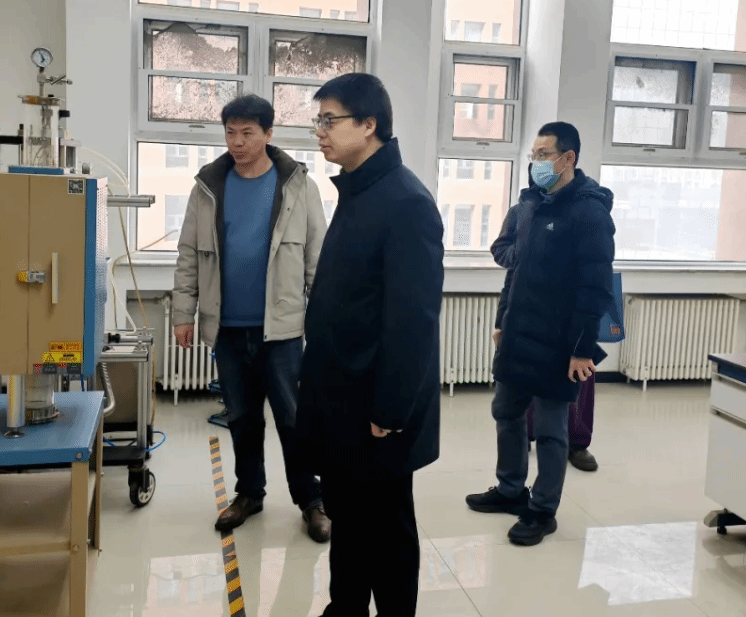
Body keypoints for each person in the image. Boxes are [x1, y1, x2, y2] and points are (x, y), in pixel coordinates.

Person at [297, 73, 444, 617]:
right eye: (318, 121)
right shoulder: (359, 191)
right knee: (349, 517)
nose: (320, 131)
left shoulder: (406, 202)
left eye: (329, 120)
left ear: (368, 124)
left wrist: (390, 411)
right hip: (342, 400)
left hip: (377, 412)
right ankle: (346, 607)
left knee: (387, 532)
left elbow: (413, 322)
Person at [171, 94, 331, 543]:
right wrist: (184, 313)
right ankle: (249, 494)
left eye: (247, 133)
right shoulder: (208, 186)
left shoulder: (297, 185)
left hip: (282, 330)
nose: (237, 142)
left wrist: (323, 324)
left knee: (293, 419)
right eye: (230, 133)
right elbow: (188, 254)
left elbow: (318, 258)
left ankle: (311, 500)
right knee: (242, 418)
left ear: (268, 133)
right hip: (227, 328)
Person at [466, 121, 615, 546]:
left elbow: (595, 287)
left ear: (568, 159)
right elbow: (514, 274)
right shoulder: (530, 205)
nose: (536, 163)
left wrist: (582, 349)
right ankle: (510, 488)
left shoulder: (589, 213)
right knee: (506, 412)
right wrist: (502, 320)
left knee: (550, 430)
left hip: (558, 342)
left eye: (544, 154)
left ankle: (542, 509)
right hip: (518, 332)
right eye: (533, 155)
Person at [491, 196, 599, 473]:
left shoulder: (585, 210)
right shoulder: (521, 210)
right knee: (522, 379)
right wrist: (530, 251)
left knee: (580, 375)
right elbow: (500, 249)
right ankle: (528, 434)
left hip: (571, 313)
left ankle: (578, 442)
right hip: (526, 308)